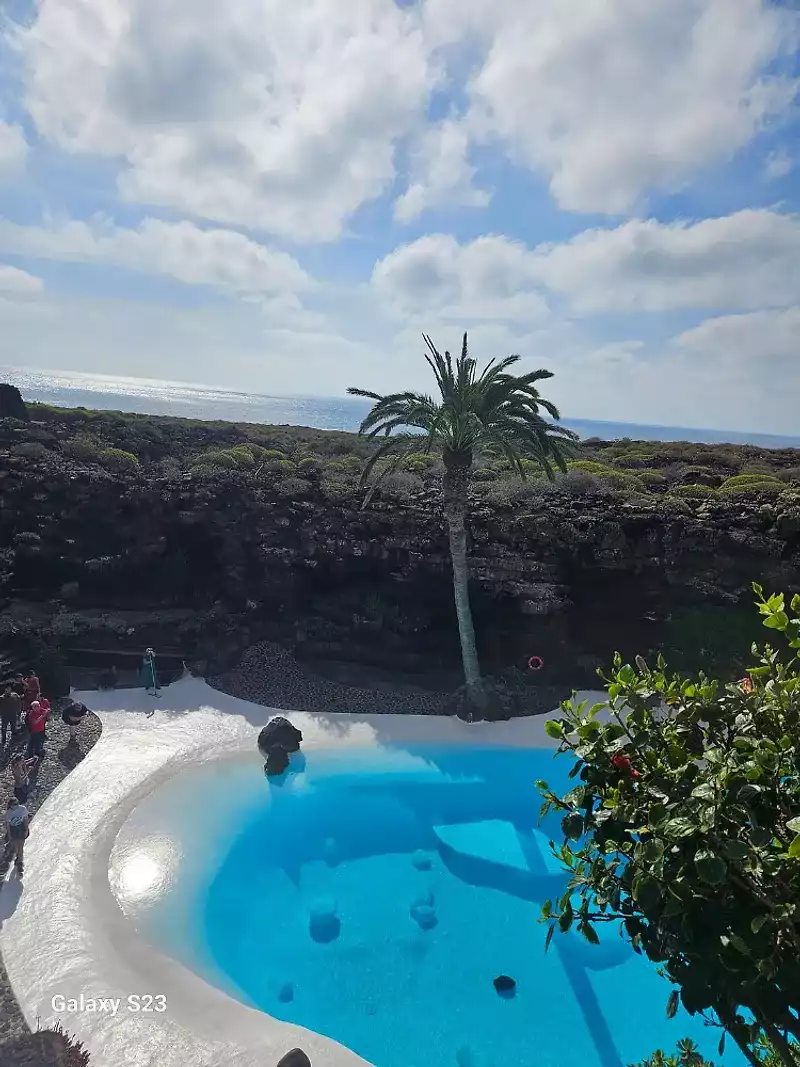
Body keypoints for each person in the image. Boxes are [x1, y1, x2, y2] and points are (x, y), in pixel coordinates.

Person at [5, 796, 29, 875]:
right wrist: (9, 835)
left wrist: (26, 829)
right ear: (11, 805)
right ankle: (18, 858)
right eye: (14, 804)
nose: (16, 805)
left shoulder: (22, 809)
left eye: (17, 804)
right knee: (16, 847)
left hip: (21, 829)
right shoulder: (8, 812)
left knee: (21, 846)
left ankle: (20, 862)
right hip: (14, 830)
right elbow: (8, 825)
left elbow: (25, 819)